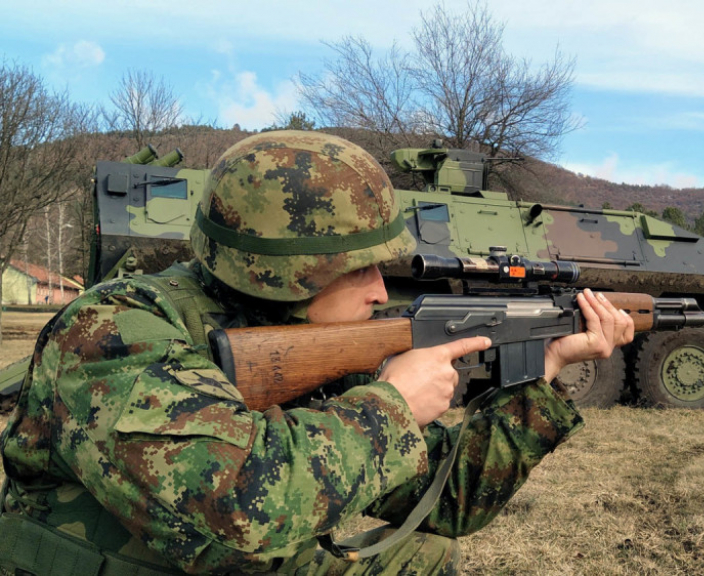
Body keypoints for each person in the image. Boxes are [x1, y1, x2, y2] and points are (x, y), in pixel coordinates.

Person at [0, 131, 633, 575]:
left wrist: (543, 376)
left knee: (426, 556)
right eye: (359, 270)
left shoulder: (294, 339)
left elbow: (450, 499)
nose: (380, 291)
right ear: (286, 273)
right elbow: (240, 511)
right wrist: (390, 407)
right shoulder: (112, 333)